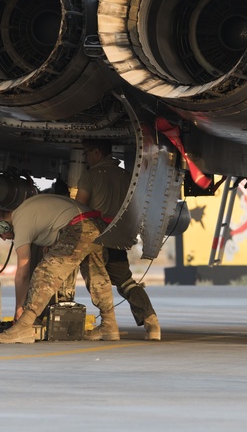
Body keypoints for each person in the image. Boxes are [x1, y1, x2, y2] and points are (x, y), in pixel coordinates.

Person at [0, 193, 120, 343]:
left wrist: (19, 309)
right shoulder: (27, 210)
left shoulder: (20, 221)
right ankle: (109, 325)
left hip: (79, 227)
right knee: (96, 276)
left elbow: (23, 273)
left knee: (44, 273)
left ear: (4, 225)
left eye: (0, 234)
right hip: (96, 224)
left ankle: (24, 326)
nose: (3, 238)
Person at [76, 139, 161, 341]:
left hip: (96, 236)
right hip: (119, 235)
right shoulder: (126, 176)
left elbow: (78, 208)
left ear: (97, 152)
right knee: (125, 282)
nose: (85, 158)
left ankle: (108, 327)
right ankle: (151, 322)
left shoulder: (90, 175)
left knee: (97, 280)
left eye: (87, 153)